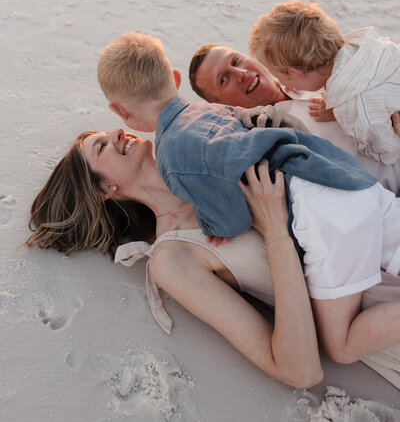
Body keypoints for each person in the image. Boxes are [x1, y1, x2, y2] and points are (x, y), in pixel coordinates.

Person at [97, 31, 400, 367]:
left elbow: (234, 219)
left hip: (322, 213)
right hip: (349, 179)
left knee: (342, 345)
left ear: (119, 111)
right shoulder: (217, 111)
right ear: (174, 79)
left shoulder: (173, 159)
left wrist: (213, 224)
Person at [26, 128, 400, 389]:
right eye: (102, 147)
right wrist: (274, 230)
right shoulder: (173, 257)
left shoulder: (208, 162)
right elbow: (299, 370)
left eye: (111, 131)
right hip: (377, 315)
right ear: (106, 189)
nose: (119, 134)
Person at [188, 44, 400, 195]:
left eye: (236, 61)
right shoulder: (264, 144)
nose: (240, 72)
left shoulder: (311, 65)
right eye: (223, 79)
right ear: (221, 105)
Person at [248, 0, 400, 164]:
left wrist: (343, 116)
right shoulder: (365, 43)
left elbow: (388, 153)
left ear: (295, 74)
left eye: (277, 75)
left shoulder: (353, 106)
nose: (283, 85)